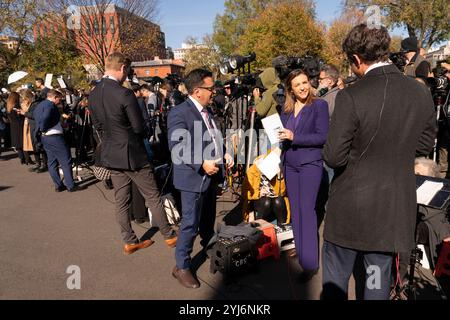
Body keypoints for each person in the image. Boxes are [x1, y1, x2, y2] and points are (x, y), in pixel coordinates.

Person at [322, 24, 437, 300]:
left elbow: (333, 156)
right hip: (391, 210)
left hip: (349, 211)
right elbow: (424, 145)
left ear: (357, 59)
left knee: (336, 284)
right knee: (376, 284)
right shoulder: (420, 92)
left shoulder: (351, 95)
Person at [88, 52, 177, 255]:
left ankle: (129, 241)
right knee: (152, 195)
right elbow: (139, 127)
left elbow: (98, 126)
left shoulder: (93, 93)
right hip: (132, 154)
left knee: (121, 200)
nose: (127, 75)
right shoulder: (123, 93)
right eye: (127, 71)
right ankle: (169, 235)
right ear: (122, 68)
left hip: (111, 153)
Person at [167, 68, 233, 289]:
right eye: (210, 88)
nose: (214, 91)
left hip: (211, 178)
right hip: (192, 178)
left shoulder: (207, 111)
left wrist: (224, 153)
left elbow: (214, 139)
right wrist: (201, 162)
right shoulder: (179, 112)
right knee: (190, 224)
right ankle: (182, 266)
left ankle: (210, 247)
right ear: (197, 91)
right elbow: (178, 146)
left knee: (207, 219)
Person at [278, 69, 329, 281]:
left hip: (310, 165)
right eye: (298, 84)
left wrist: (294, 136)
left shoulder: (319, 105)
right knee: (295, 213)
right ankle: (301, 251)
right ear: (290, 88)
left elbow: (322, 137)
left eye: (305, 82)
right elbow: (283, 138)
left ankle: (310, 265)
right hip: (290, 166)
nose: (303, 87)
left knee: (307, 213)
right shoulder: (286, 109)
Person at [33, 89, 79, 192]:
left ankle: (58, 185)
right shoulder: (50, 105)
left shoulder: (40, 105)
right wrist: (43, 127)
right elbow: (45, 118)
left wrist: (41, 129)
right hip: (54, 136)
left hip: (45, 137)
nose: (60, 101)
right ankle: (71, 185)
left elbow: (35, 116)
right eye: (59, 99)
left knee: (52, 162)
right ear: (54, 97)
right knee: (65, 161)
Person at [6, 92, 33, 165]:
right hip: (20, 125)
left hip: (13, 126)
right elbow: (21, 115)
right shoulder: (17, 106)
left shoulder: (8, 106)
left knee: (18, 144)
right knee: (23, 142)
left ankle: (21, 158)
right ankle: (27, 159)